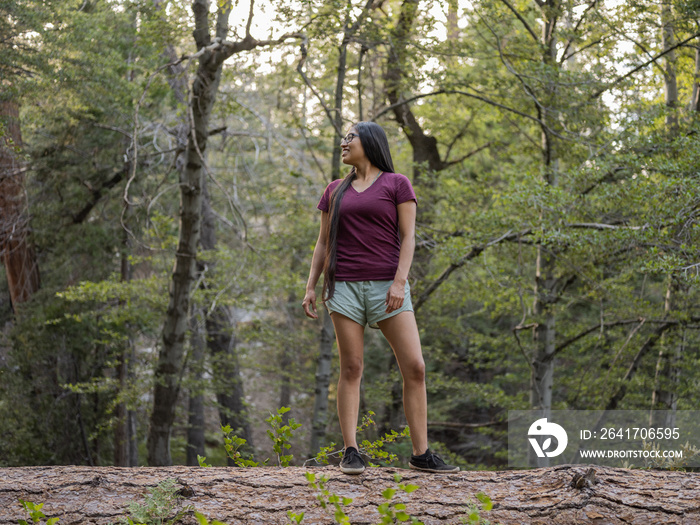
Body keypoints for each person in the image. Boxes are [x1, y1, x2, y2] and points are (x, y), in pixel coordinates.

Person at [302, 121, 459, 475]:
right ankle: (351, 450)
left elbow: (408, 238)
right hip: (343, 288)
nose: (343, 143)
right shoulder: (334, 190)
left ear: (370, 143)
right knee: (352, 368)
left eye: (349, 138)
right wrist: (311, 285)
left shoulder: (396, 184)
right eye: (343, 138)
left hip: (388, 287)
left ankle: (421, 454)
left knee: (415, 367)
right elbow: (323, 242)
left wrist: (399, 282)